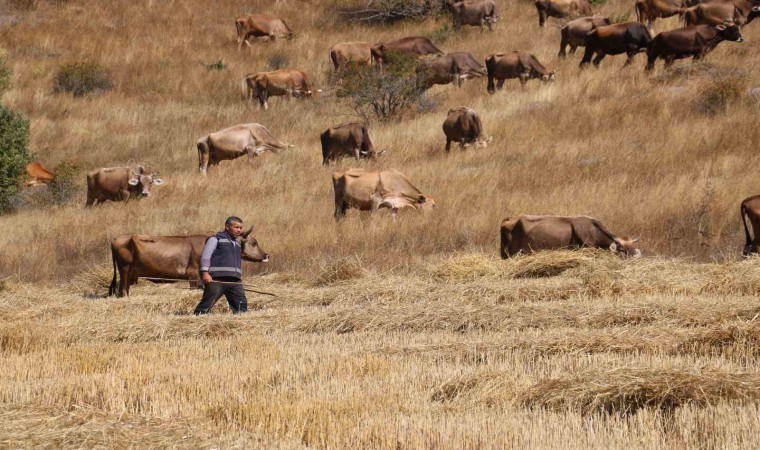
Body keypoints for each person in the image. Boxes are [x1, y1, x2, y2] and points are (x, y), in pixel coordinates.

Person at [194, 216, 248, 315]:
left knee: (241, 305)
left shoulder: (237, 243)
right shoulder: (215, 239)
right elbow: (206, 256)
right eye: (236, 227)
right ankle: (197, 319)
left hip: (235, 280)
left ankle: (241, 324)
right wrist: (205, 273)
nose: (239, 230)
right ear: (227, 227)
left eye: (240, 228)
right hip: (217, 279)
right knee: (206, 304)